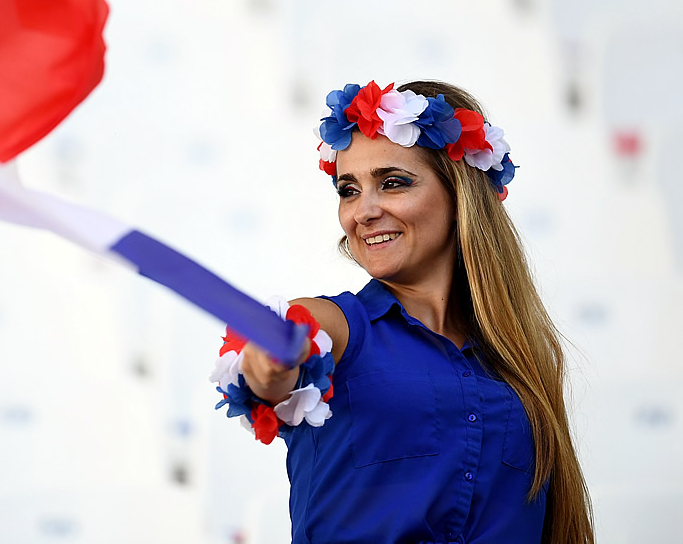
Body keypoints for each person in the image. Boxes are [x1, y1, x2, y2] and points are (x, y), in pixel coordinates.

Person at [212, 80, 594, 543]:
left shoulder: (522, 358)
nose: (363, 211)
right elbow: (282, 351)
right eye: (348, 190)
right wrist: (271, 363)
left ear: (461, 195)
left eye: (392, 183)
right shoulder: (340, 328)